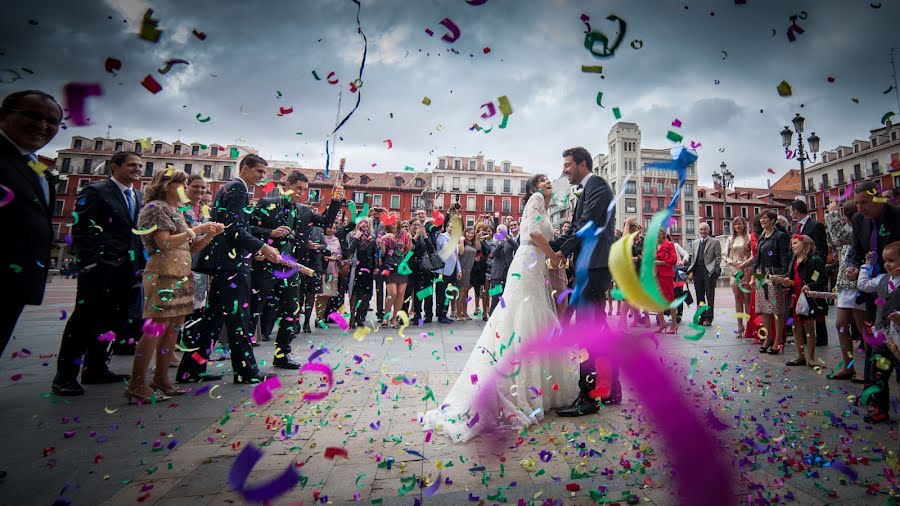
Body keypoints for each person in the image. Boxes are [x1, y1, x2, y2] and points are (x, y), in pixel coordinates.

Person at [421, 175, 579, 441]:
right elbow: (533, 233)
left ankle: (533, 385)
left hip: (534, 264)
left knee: (528, 316)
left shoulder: (546, 207)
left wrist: (554, 255)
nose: (548, 181)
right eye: (542, 180)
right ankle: (522, 387)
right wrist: (553, 256)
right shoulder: (537, 199)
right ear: (533, 189)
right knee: (526, 316)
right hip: (529, 261)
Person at [177, 154, 283, 385]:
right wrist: (264, 247)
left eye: (264, 173)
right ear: (245, 168)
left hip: (226, 263)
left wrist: (254, 246)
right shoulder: (238, 189)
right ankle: (245, 370)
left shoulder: (230, 188)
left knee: (213, 319)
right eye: (258, 171)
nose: (262, 177)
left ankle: (191, 368)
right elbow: (234, 229)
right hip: (231, 265)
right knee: (238, 318)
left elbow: (236, 228)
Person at [124, 169, 225, 402]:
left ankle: (161, 378)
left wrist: (209, 235)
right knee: (155, 329)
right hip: (162, 273)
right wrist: (197, 229)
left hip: (181, 273)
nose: (185, 188)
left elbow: (188, 248)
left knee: (174, 329)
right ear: (165, 185)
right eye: (180, 183)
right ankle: (136, 384)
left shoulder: (175, 212)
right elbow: (164, 243)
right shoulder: (155, 209)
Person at [52, 151, 145, 396]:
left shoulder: (137, 195)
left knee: (113, 320)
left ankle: (96, 367)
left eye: (139, 165)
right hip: (100, 269)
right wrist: (90, 264)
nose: (137, 169)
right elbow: (82, 228)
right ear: (115, 167)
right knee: (84, 321)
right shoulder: (97, 191)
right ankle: (65, 377)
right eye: (132, 165)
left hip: (128, 270)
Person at [550, 147, 617, 415]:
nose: (565, 170)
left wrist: (561, 250)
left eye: (568, 165)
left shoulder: (597, 185)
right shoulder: (588, 189)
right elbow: (577, 228)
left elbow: (586, 225)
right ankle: (610, 389)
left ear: (583, 164)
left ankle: (589, 398)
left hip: (595, 265)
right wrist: (550, 245)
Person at [248, 172, 333, 365]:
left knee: (291, 310)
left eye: (304, 191)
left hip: (291, 267)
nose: (300, 194)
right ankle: (246, 357)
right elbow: (249, 228)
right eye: (298, 189)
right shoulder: (266, 204)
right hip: (267, 265)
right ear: (288, 185)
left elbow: (325, 222)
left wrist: (335, 201)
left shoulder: (304, 211)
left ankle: (282, 354)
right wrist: (270, 232)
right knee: (256, 308)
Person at [0, 90, 61, 355]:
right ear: (3, 115)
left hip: (14, 283)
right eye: (32, 115)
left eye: (51, 121)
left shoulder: (39, 169)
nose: (42, 125)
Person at [856, 241, 900, 423]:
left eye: (892, 260)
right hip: (883, 337)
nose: (888, 264)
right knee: (879, 374)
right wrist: (866, 265)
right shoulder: (883, 279)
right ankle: (881, 409)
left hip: (898, 339)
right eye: (885, 261)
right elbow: (864, 285)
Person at [824, 200, 867, 380]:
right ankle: (849, 366)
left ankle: (870, 370)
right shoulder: (849, 229)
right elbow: (835, 240)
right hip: (844, 283)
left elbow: (839, 238)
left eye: (844, 215)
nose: (842, 217)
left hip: (858, 282)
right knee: (841, 324)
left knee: (863, 328)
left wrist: (832, 213)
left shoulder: (860, 230)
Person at [778, 234, 827, 367]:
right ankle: (800, 356)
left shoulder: (814, 260)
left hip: (808, 298)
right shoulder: (794, 259)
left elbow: (819, 278)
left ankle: (811, 357)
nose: (792, 246)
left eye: (795, 243)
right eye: (792, 244)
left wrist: (809, 285)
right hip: (795, 297)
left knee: (809, 327)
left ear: (805, 244)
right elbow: (791, 276)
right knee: (795, 327)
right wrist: (786, 281)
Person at [788, 200, 829, 346]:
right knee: (801, 305)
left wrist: (816, 274)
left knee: (816, 304)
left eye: (791, 210)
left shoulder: (815, 225)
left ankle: (822, 337)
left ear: (796, 211)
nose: (790, 213)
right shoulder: (794, 229)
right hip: (799, 270)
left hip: (813, 270)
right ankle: (803, 337)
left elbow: (822, 250)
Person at [753, 209, 791, 354]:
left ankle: (777, 341)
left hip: (774, 275)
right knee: (765, 310)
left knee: (776, 310)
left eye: (766, 218)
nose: (763, 220)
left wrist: (783, 274)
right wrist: (753, 274)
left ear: (773, 220)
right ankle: (768, 339)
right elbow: (758, 257)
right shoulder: (761, 236)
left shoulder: (780, 236)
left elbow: (784, 256)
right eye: (761, 218)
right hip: (761, 275)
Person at [724, 217, 753, 337]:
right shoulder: (730, 239)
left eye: (739, 224)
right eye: (735, 224)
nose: (737, 226)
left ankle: (749, 327)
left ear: (744, 225)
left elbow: (753, 254)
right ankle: (740, 326)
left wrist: (746, 263)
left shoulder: (750, 238)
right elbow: (724, 255)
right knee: (737, 298)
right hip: (734, 270)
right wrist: (732, 262)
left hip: (746, 269)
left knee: (747, 298)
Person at [688, 222, 722, 326]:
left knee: (710, 296)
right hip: (697, 272)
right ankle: (702, 316)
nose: (703, 231)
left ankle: (709, 318)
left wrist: (714, 270)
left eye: (705, 229)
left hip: (709, 272)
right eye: (701, 229)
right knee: (699, 296)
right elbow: (693, 258)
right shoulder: (695, 242)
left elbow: (718, 257)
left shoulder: (715, 242)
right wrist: (691, 271)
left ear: (708, 231)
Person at [379, 222, 412, 327]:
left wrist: (410, 239)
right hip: (390, 267)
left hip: (402, 266)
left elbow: (409, 250)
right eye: (391, 221)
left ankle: (394, 318)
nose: (394, 223)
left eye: (395, 221)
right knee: (392, 293)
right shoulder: (384, 233)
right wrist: (383, 240)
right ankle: (385, 317)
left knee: (401, 293)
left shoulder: (404, 234)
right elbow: (383, 253)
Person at [348, 218, 378, 327]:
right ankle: (352, 317)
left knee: (365, 294)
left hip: (368, 267)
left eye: (366, 222)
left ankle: (359, 316)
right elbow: (350, 250)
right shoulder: (354, 235)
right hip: (357, 266)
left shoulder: (372, 237)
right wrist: (356, 238)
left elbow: (375, 253)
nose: (364, 224)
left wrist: (376, 267)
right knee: (355, 292)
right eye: (362, 222)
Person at [434, 214, 462, 324]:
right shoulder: (442, 237)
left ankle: (443, 313)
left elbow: (456, 256)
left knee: (448, 293)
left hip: (451, 271)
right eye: (450, 226)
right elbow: (447, 249)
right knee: (441, 293)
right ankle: (441, 315)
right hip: (442, 271)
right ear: (446, 228)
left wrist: (458, 270)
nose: (452, 228)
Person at [409, 219, 436, 323]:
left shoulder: (424, 236)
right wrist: (415, 236)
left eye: (418, 225)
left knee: (428, 291)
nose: (416, 227)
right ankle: (417, 314)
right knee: (417, 292)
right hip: (414, 267)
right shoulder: (409, 236)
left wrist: (425, 236)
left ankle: (428, 314)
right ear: (410, 226)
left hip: (426, 267)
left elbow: (431, 249)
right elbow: (411, 248)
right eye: (414, 225)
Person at [488, 224, 517, 316]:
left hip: (508, 273)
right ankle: (492, 314)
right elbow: (495, 254)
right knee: (495, 296)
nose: (501, 232)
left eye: (503, 230)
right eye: (499, 230)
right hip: (496, 273)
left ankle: (504, 315)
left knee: (506, 296)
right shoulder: (493, 242)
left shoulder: (510, 241)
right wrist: (500, 243)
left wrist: (508, 238)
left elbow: (516, 247)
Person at [654, 228, 679, 334]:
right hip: (656, 275)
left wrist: (661, 263)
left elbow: (674, 260)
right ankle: (662, 323)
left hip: (666, 275)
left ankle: (674, 324)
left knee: (670, 299)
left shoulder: (669, 244)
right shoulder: (655, 246)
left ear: (663, 234)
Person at [454, 226, 480, 320]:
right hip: (462, 269)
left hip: (470, 270)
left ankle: (465, 312)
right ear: (465, 233)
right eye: (468, 233)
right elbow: (461, 253)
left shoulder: (473, 244)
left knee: (466, 292)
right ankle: (458, 313)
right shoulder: (462, 242)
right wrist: (461, 240)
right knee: (461, 292)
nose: (470, 235)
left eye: (472, 233)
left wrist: (477, 236)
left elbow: (478, 247)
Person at [471, 221, 493, 321]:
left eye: (489, 231)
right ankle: (483, 311)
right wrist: (478, 237)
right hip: (483, 268)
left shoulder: (497, 241)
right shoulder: (481, 242)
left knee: (489, 291)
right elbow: (479, 249)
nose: (487, 233)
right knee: (483, 290)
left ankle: (488, 308)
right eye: (485, 231)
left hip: (495, 268)